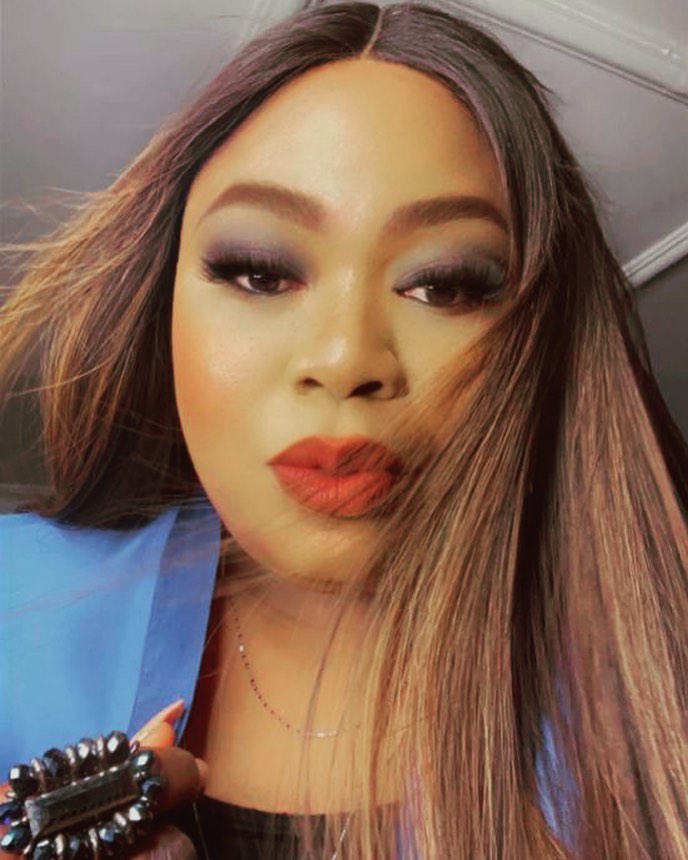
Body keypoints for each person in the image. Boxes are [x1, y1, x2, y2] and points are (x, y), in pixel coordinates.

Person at [1, 2, 686, 858]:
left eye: (445, 285)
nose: (345, 358)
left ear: (543, 342)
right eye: (259, 271)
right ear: (161, 302)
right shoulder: (13, 609)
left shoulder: (660, 704)